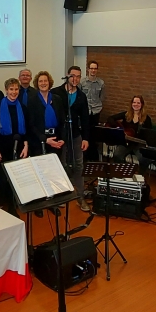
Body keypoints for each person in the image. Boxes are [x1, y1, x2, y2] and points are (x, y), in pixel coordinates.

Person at [53, 66, 91, 212]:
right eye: (73, 76)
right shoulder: (56, 92)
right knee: (60, 164)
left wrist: (86, 138)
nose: (75, 79)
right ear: (67, 76)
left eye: (78, 76)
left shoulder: (81, 96)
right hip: (60, 136)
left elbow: (85, 118)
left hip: (75, 134)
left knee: (79, 165)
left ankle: (80, 196)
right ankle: (61, 195)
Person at [0, 79, 29, 212]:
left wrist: (26, 145)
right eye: (11, 89)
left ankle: (13, 205)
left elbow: (27, 129)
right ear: (6, 90)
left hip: (18, 146)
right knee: (3, 178)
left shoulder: (23, 107)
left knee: (16, 177)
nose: (14, 92)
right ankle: (3, 202)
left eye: (16, 89)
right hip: (2, 146)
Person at [108, 95, 152, 164]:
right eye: (134, 102)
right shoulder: (126, 114)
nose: (136, 104)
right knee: (117, 155)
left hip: (138, 144)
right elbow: (110, 118)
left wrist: (147, 143)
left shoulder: (146, 118)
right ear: (131, 104)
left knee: (143, 159)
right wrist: (118, 127)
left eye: (138, 103)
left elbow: (149, 133)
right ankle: (122, 170)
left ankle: (140, 171)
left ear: (142, 104)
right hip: (125, 143)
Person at [27, 71, 60, 157]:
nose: (43, 83)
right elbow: (31, 124)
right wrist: (45, 139)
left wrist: (62, 139)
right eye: (40, 81)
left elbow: (62, 120)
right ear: (37, 84)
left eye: (45, 81)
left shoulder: (57, 99)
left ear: (49, 82)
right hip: (39, 141)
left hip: (56, 140)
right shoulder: (32, 100)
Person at [81, 61, 105, 160]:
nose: (93, 70)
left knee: (93, 136)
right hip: (85, 112)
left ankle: (93, 158)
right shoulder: (82, 82)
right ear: (88, 69)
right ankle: (84, 157)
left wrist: (98, 108)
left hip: (95, 111)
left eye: (95, 68)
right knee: (85, 134)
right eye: (91, 68)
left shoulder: (101, 83)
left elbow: (102, 97)